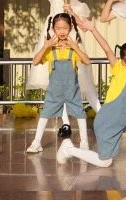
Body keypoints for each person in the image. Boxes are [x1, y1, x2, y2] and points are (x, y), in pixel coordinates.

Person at [56, 15, 126, 167]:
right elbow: (107, 49)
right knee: (105, 162)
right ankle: (68, 150)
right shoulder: (120, 71)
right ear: (124, 62)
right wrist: (93, 29)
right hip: (107, 123)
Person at [20, 0, 101, 139]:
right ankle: (65, 124)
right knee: (58, 83)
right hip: (53, 42)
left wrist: (72, 12)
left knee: (82, 81)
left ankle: (103, 116)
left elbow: (84, 26)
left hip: (72, 43)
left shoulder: (79, 5)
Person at [27, 13, 91, 153]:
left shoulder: (73, 48)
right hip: (54, 91)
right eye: (58, 28)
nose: (62, 31)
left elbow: (87, 61)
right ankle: (36, 142)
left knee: (80, 113)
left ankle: (84, 142)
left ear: (70, 28)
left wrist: (75, 47)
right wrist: (45, 46)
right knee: (45, 113)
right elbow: (35, 61)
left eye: (65, 28)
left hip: (72, 89)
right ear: (53, 29)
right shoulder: (51, 49)